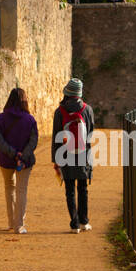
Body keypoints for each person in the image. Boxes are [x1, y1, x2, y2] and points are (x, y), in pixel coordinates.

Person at [51, 77, 95, 233]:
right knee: (83, 189)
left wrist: (55, 159)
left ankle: (74, 224)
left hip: (65, 155)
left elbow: (56, 136)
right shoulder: (87, 110)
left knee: (69, 190)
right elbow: (90, 135)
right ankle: (84, 222)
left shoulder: (60, 112)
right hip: (83, 155)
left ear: (67, 92)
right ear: (79, 93)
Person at [0, 87, 38, 235]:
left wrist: (12, 153)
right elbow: (33, 140)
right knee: (21, 190)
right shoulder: (30, 120)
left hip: (6, 159)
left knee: (9, 187)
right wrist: (22, 155)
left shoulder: (1, 118)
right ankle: (19, 225)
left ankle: (11, 222)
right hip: (25, 161)